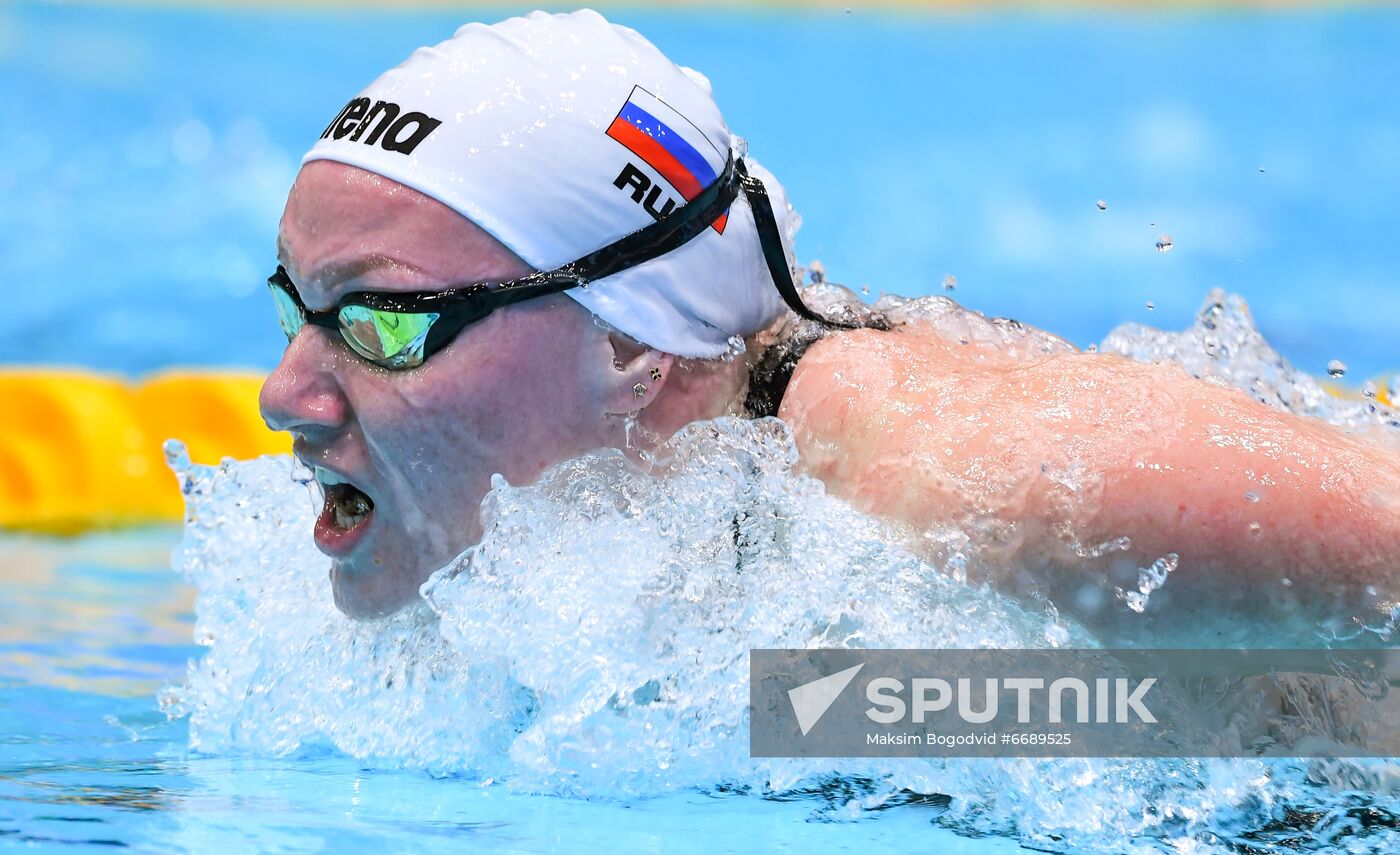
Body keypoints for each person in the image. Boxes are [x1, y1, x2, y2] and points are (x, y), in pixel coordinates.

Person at [260, 10, 1398, 622]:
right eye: (298, 311)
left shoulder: (963, 482)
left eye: (383, 323)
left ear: (630, 338)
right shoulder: (621, 553)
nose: (284, 396)